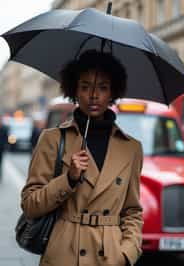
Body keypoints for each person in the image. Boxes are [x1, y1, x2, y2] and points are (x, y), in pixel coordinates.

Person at [21, 50, 144, 266]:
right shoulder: (52, 139)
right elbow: (30, 204)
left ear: (112, 92)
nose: (94, 95)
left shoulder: (131, 149)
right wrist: (68, 180)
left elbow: (132, 211)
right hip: (63, 255)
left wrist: (126, 254)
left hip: (109, 258)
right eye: (85, 87)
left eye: (102, 87)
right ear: (74, 91)